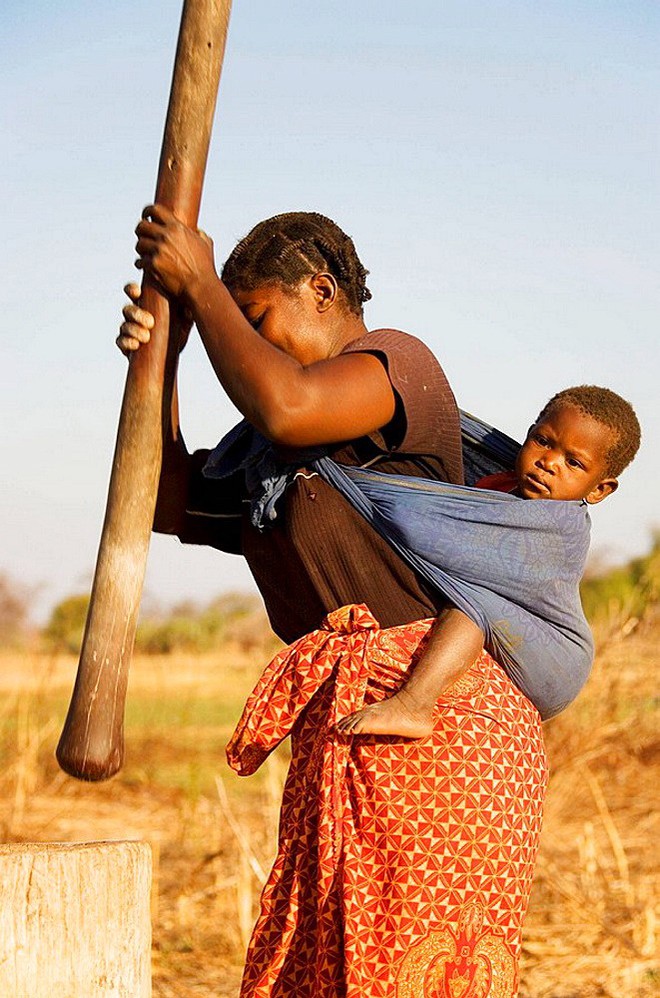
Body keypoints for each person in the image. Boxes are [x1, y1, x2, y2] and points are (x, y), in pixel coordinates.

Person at [120, 206, 552, 997]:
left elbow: (288, 401)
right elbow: (163, 500)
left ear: (321, 291)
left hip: (440, 723)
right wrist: (167, 360)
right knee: (323, 971)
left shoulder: (395, 368)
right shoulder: (265, 455)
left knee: (402, 973)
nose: (240, 340)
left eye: (255, 319)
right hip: (344, 729)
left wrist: (201, 287)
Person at [337, 384, 641, 739]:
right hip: (520, 629)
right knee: (469, 595)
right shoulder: (498, 482)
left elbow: (451, 542)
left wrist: (373, 497)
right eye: (544, 442)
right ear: (529, 435)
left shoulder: (561, 529)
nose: (549, 463)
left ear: (599, 489)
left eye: (573, 463)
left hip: (555, 658)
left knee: (471, 603)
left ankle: (413, 705)